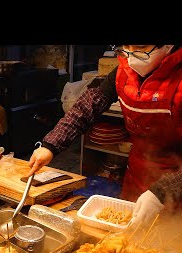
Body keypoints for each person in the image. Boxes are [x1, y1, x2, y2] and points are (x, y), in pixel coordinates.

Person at [26, 45, 182, 226]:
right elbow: (87, 107)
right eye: (125, 47)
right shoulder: (123, 72)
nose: (132, 54)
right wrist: (50, 145)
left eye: (141, 48)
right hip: (137, 176)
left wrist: (163, 191)